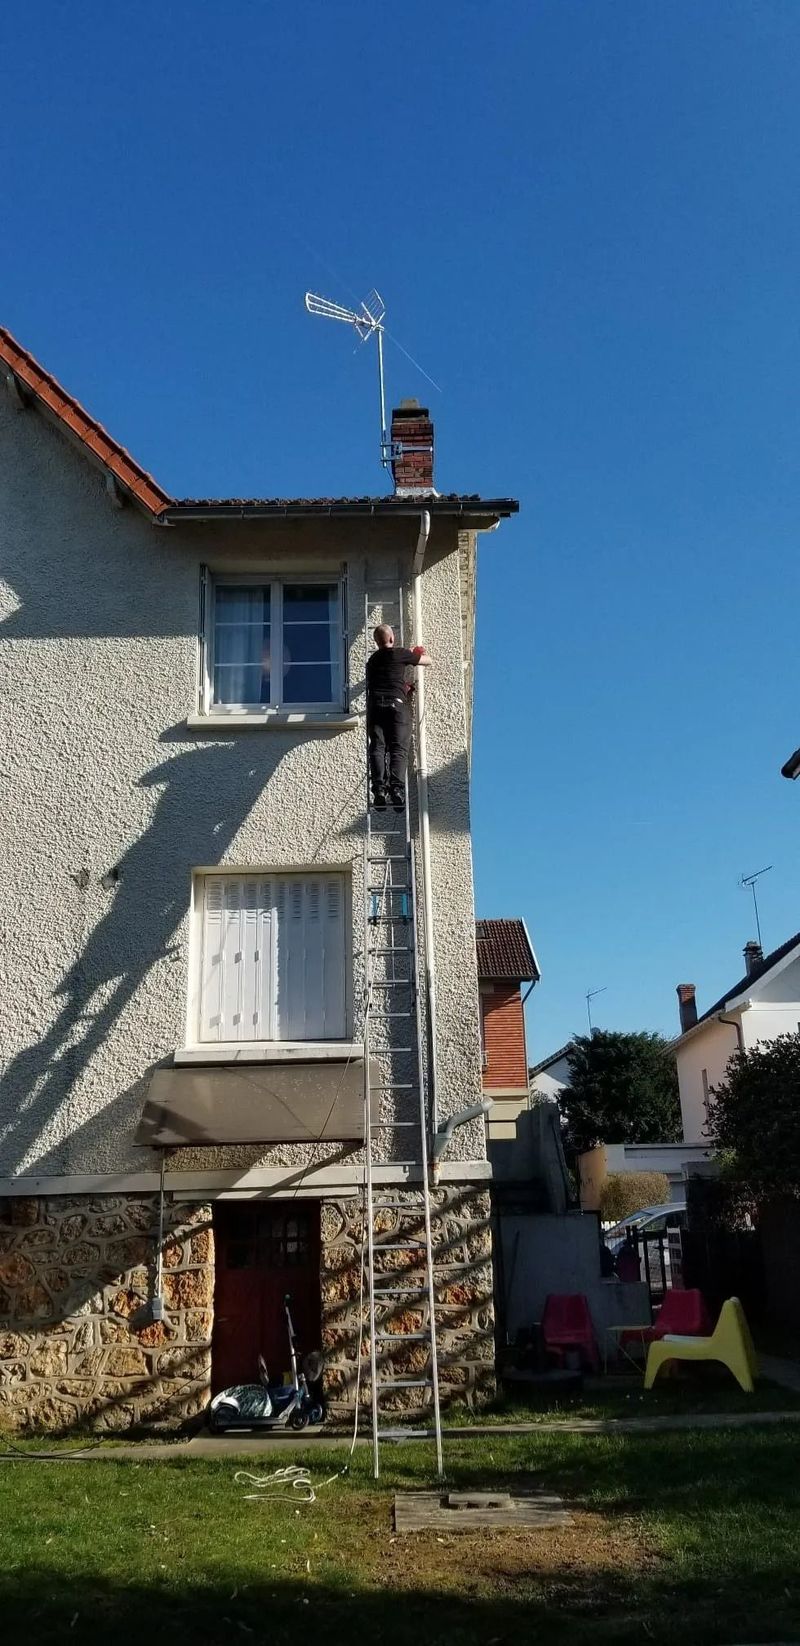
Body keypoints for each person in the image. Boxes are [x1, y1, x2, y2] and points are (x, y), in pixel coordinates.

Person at [366, 624, 432, 809]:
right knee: (398, 748)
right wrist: (417, 653)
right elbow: (427, 661)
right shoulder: (400, 654)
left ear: (376, 642)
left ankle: (379, 789)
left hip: (375, 707)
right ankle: (396, 789)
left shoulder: (372, 660)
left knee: (377, 747)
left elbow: (386, 675)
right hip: (396, 706)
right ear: (392, 638)